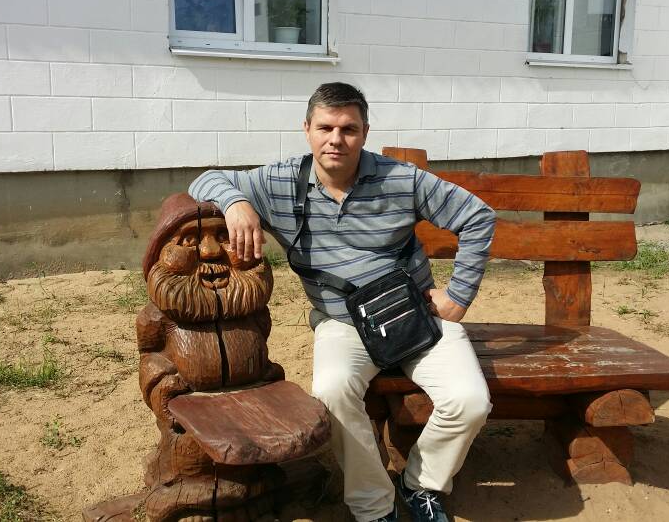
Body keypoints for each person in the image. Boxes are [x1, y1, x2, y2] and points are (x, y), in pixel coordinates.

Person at [188, 82, 496, 522]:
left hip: (413, 316)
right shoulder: (280, 181)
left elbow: (477, 216)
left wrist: (458, 297)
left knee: (469, 400)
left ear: (365, 133)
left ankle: (420, 484)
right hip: (342, 323)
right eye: (325, 128)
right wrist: (236, 203)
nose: (336, 139)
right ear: (307, 130)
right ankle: (374, 507)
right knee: (332, 391)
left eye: (349, 129)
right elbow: (205, 179)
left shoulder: (401, 178)